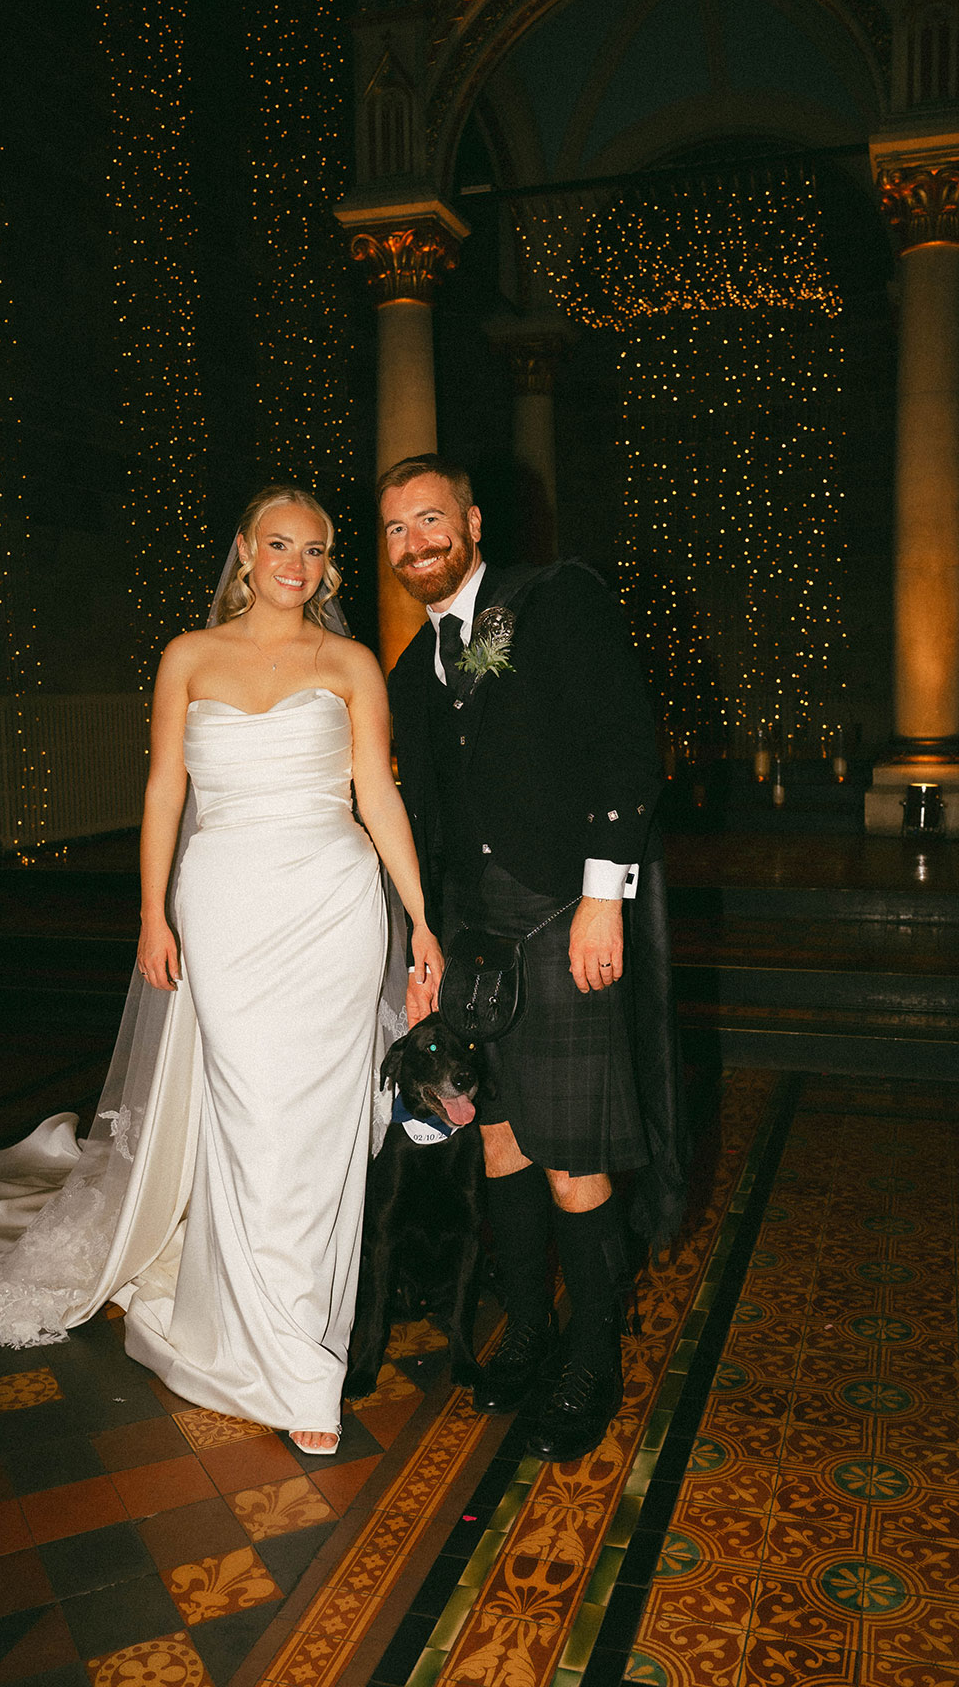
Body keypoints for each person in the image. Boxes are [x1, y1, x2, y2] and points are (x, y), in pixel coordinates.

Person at [0, 487, 442, 1459]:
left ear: (329, 566)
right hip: (225, 907)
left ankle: (301, 1364)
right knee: (252, 1124)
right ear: (246, 552)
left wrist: (419, 919)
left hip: (332, 906)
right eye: (278, 543)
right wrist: (150, 912)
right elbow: (165, 786)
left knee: (319, 1131)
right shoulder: (189, 658)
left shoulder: (348, 663)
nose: (295, 562)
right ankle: (267, 1341)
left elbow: (375, 788)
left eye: (316, 549)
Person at [379, 453, 683, 1464]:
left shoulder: (546, 602)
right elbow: (419, 812)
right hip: (465, 932)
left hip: (559, 915)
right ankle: (532, 1332)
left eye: (431, 520)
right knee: (499, 1136)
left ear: (469, 521)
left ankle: (591, 1358)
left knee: (572, 1154)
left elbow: (624, 743)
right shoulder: (409, 667)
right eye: (396, 531)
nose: (416, 544)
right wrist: (422, 940)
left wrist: (605, 896)